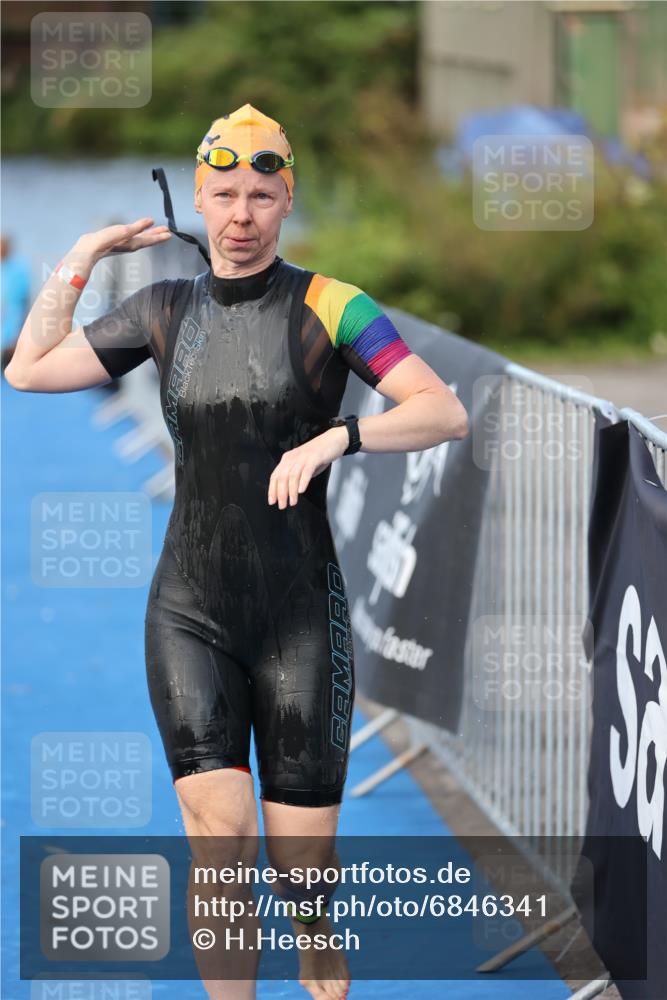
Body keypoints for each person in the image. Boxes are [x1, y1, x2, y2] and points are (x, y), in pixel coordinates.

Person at [6, 104, 469, 1000]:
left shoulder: (333, 305)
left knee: (300, 862)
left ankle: (317, 931)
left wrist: (340, 437)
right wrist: (87, 253)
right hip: (189, 610)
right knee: (219, 847)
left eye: (262, 195)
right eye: (224, 195)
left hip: (299, 616)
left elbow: (441, 409)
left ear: (286, 200)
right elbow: (27, 368)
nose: (242, 215)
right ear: (200, 199)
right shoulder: (159, 308)